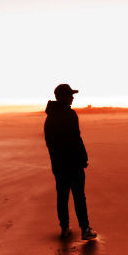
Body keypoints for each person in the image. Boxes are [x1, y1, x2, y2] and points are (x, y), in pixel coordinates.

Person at [44, 84, 97, 240]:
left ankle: (65, 228)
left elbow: (50, 143)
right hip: (73, 164)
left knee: (62, 197)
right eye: (70, 95)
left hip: (59, 165)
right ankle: (85, 229)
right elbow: (76, 139)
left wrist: (56, 161)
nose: (73, 97)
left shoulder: (49, 117)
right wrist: (83, 158)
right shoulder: (70, 114)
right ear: (63, 97)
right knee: (79, 197)